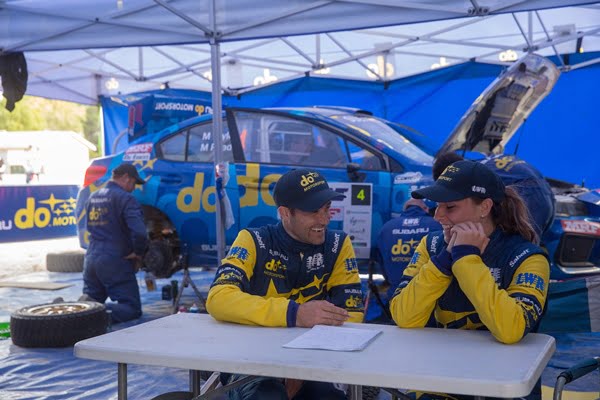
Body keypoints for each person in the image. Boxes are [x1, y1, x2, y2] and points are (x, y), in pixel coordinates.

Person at [390, 160, 549, 399]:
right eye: (437, 205)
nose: (437, 216)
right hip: (437, 384)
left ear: (484, 207)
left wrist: (466, 260)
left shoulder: (527, 257)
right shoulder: (431, 246)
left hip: (501, 388)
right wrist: (445, 260)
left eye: (450, 207)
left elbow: (511, 330)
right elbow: (403, 316)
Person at [206, 168, 364, 400]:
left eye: (327, 209)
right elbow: (218, 299)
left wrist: (298, 368)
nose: (324, 219)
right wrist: (295, 313)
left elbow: (351, 314)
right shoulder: (253, 240)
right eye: (313, 211)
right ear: (284, 213)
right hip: (250, 361)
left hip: (313, 362)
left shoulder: (337, 244)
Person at [81, 162, 148, 323]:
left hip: (91, 259)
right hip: (115, 260)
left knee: (90, 301)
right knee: (131, 308)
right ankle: (92, 316)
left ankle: (75, 311)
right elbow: (140, 233)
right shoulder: (126, 199)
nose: (133, 188)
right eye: (133, 183)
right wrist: (138, 253)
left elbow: (88, 228)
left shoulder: (93, 196)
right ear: (126, 178)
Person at [367, 198, 441, 323]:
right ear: (425, 209)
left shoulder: (387, 228)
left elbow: (379, 260)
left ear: (404, 209)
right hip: (431, 299)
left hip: (397, 297)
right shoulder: (436, 224)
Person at [481, 154, 555, 239]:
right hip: (545, 188)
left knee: (522, 243)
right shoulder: (489, 160)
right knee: (533, 239)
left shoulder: (470, 171)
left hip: (527, 192)